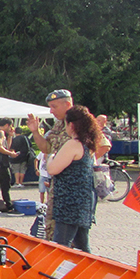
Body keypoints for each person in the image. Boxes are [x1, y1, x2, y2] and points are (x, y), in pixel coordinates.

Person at [27, 89, 109, 239]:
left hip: (76, 189)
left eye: (54, 106)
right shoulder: (59, 125)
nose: (51, 111)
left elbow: (103, 145)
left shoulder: (82, 122)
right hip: (59, 188)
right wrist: (35, 132)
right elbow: (47, 148)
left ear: (68, 104)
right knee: (55, 231)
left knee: (67, 237)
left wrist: (78, 164)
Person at [46, 105, 99, 252]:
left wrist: (51, 158)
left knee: (61, 244)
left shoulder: (73, 144)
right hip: (84, 200)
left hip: (69, 201)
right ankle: (89, 272)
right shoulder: (88, 144)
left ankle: (57, 273)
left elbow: (53, 169)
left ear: (72, 125)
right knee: (82, 245)